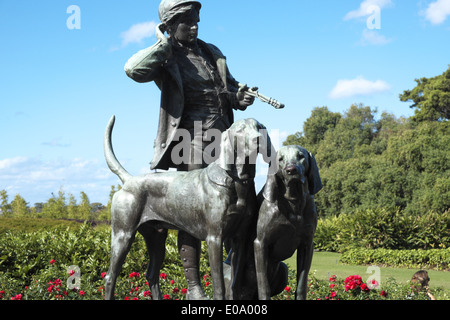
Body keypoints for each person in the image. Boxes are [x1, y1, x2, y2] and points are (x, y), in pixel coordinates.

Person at [124, 0, 256, 299]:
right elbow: (133, 69)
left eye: (197, 20)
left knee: (241, 205)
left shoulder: (211, 52)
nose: (195, 26)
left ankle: (231, 271)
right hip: (190, 141)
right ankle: (194, 288)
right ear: (170, 25)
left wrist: (241, 96)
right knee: (193, 213)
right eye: (187, 22)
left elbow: (230, 90)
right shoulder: (167, 54)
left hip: (225, 140)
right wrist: (162, 42)